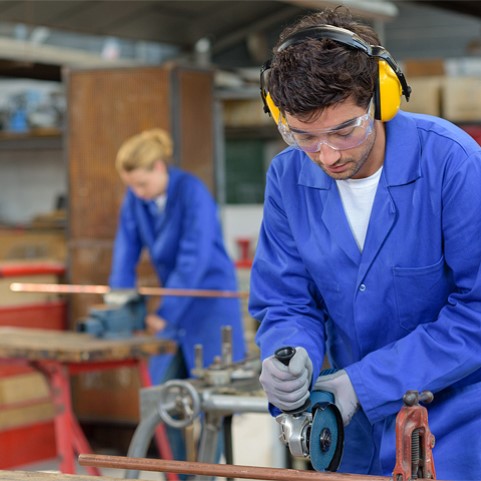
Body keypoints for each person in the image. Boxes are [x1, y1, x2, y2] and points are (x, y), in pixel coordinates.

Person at [249, 6, 481, 480]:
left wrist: (364, 382)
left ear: (382, 97)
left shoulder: (452, 164)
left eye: (344, 130)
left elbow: (477, 313)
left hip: (455, 426)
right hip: (350, 430)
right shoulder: (288, 177)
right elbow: (288, 300)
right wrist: (289, 356)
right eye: (303, 136)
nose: (328, 155)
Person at [109, 128, 246, 461]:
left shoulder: (192, 192)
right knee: (163, 403)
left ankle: (207, 474)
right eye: (131, 186)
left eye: (141, 184)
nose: (137, 193)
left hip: (209, 303)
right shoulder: (137, 198)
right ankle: (180, 475)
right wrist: (117, 301)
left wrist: (165, 312)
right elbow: (125, 249)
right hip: (174, 303)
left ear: (159, 167)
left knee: (213, 407)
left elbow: (192, 259)